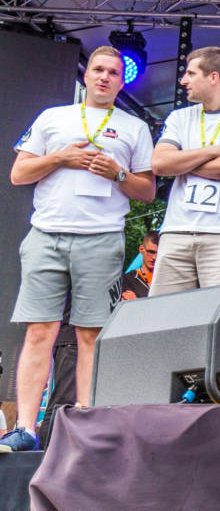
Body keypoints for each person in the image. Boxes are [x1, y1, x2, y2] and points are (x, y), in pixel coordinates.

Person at [1, 46, 155, 453]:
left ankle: (86, 423)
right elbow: (19, 173)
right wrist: (59, 157)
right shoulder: (52, 117)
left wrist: (118, 173)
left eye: (114, 73)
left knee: (91, 334)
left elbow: (147, 190)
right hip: (47, 234)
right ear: (86, 76)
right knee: (40, 331)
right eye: (98, 70)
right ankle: (26, 428)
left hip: (102, 237)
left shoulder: (135, 127)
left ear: (122, 82)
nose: (105, 77)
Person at [149, 47, 220, 294]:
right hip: (176, 232)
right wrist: (212, 151)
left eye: (191, 74)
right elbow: (159, 164)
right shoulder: (179, 117)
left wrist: (183, 163)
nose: (183, 81)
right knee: (163, 314)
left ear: (213, 77)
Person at [119, 230, 160, 300]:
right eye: (151, 252)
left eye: (158, 253)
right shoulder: (128, 279)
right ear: (141, 249)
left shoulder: (167, 278)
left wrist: (136, 300)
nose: (154, 257)